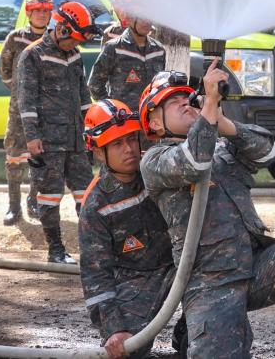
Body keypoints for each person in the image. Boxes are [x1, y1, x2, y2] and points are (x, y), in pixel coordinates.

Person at [139, 66, 275, 359]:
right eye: (173, 101)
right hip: (211, 281)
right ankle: (193, 330)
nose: (186, 103)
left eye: (188, 98)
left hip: (255, 265)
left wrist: (222, 122)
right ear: (155, 123)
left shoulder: (222, 148)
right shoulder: (155, 160)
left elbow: (267, 152)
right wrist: (209, 108)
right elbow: (194, 162)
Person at [79, 98, 186, 359]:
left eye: (131, 139)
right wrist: (114, 329)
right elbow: (96, 276)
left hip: (183, 264)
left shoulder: (157, 169)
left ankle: (188, 336)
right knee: (128, 348)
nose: (128, 149)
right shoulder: (96, 205)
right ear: (98, 152)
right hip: (137, 277)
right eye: (117, 143)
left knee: (215, 324)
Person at [17, 1, 97, 263]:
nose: (75, 45)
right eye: (73, 39)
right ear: (61, 28)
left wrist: (91, 129)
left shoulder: (74, 55)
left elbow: (84, 96)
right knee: (50, 196)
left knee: (86, 193)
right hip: (48, 140)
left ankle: (93, 249)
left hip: (76, 139)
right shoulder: (33, 54)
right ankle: (56, 250)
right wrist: (32, 136)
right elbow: (26, 100)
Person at [0, 0, 53, 225]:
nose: (41, 14)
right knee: (13, 155)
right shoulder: (16, 37)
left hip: (45, 111)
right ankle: (13, 206)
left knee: (39, 155)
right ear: (29, 12)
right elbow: (3, 69)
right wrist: (20, 91)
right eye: (37, 10)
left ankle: (33, 200)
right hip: (18, 110)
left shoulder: (54, 39)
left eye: (45, 10)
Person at [88, 0, 165, 114]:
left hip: (150, 119)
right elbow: (95, 85)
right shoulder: (114, 47)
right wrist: (112, 110)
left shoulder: (159, 50)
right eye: (142, 17)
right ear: (129, 18)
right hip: (123, 120)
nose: (147, 22)